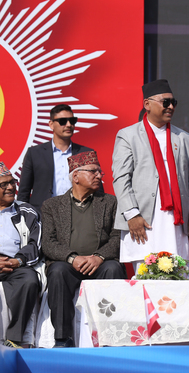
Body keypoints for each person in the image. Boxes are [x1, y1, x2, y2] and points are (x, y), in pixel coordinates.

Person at [112, 79, 189, 277]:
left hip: (177, 221)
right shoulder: (128, 135)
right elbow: (121, 179)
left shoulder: (184, 138)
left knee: (181, 276)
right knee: (147, 277)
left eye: (173, 103)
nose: (171, 107)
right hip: (144, 220)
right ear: (147, 104)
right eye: (165, 102)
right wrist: (132, 214)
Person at [42, 151, 126, 347]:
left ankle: (110, 336)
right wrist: (72, 258)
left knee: (113, 268)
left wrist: (98, 257)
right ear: (76, 176)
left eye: (100, 172)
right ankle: (63, 338)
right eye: (93, 171)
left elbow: (117, 238)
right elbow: (48, 242)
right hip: (68, 264)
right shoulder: (52, 205)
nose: (100, 175)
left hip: (100, 263)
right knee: (57, 271)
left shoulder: (110, 202)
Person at [18, 104, 102, 213]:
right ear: (51, 124)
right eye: (63, 121)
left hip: (79, 214)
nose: (68, 125)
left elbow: (97, 188)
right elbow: (23, 192)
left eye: (72, 121)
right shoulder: (34, 153)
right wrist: (24, 217)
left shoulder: (85, 153)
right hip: (43, 215)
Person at [0, 162, 41, 348]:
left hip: (17, 263)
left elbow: (36, 243)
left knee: (30, 280)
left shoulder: (26, 211)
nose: (10, 187)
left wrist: (18, 260)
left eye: (12, 182)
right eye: (3, 184)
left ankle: (14, 339)